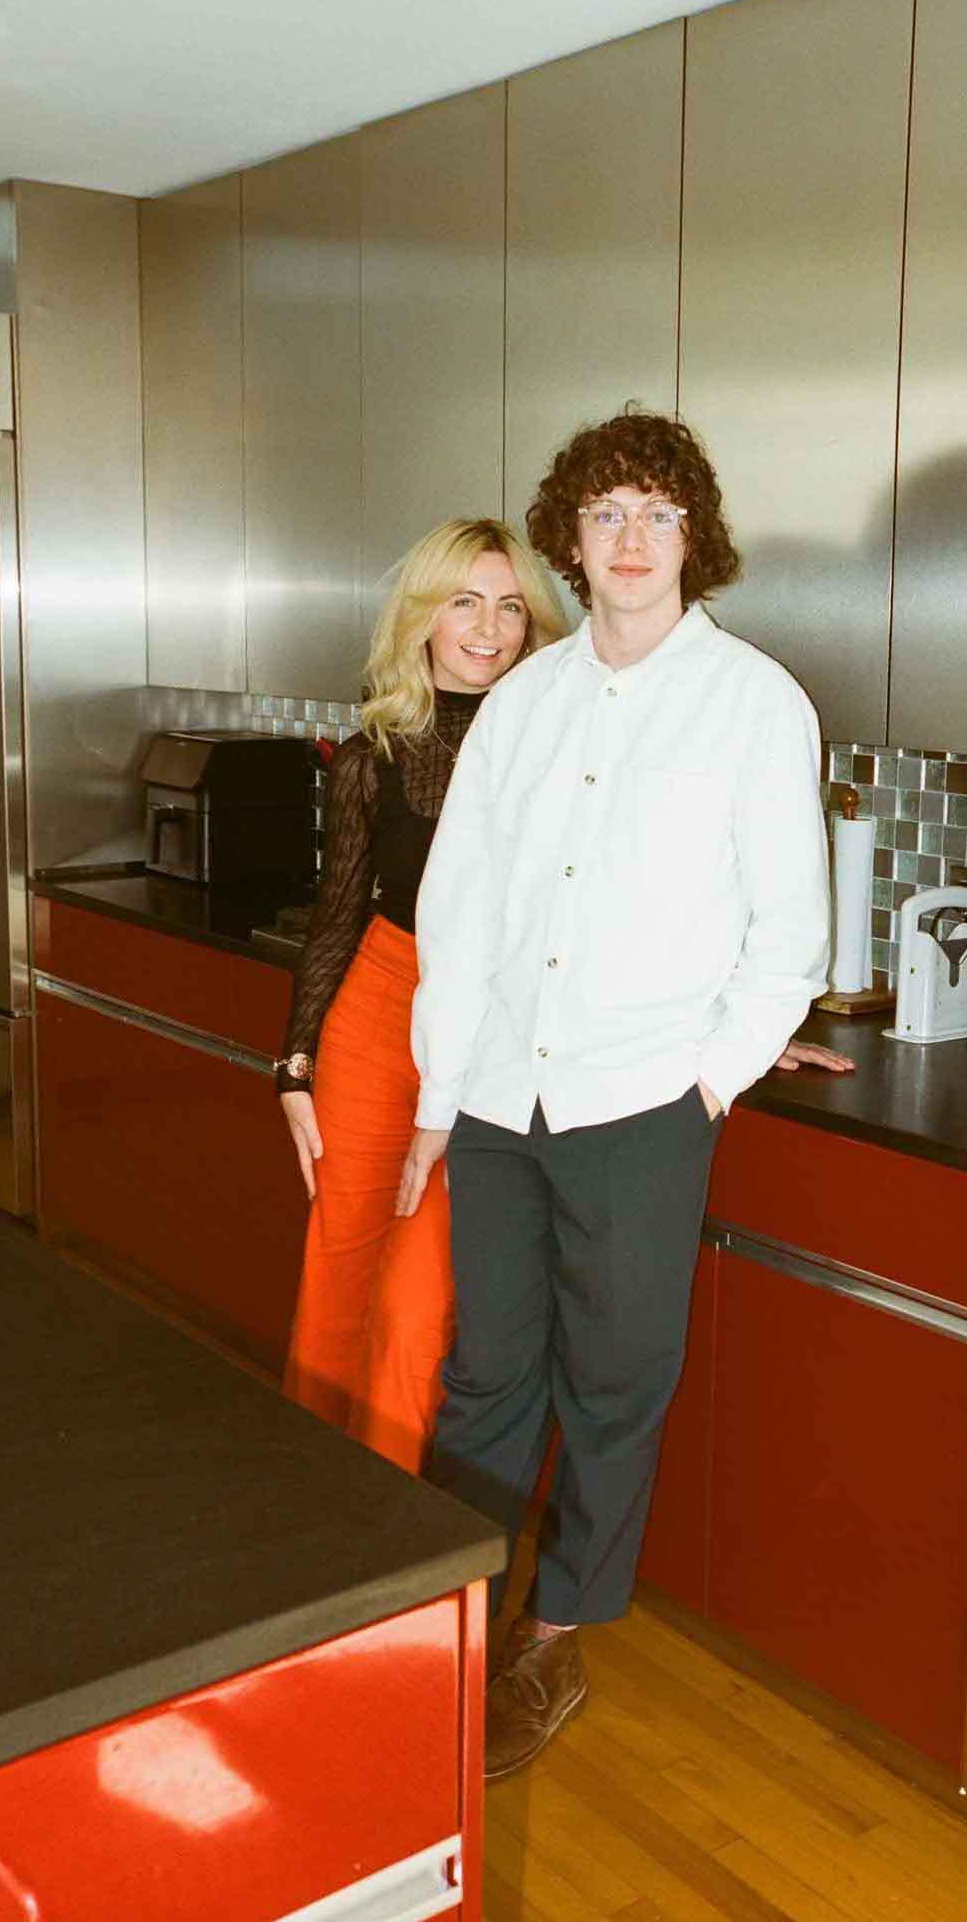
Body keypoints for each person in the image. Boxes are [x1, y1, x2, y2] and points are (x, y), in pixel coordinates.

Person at [401, 408, 837, 1779]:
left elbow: (790, 934)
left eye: (658, 512)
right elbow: (460, 911)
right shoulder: (523, 704)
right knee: (483, 1376)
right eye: (606, 514)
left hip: (643, 1101)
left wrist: (705, 1082)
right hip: (499, 1096)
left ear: (693, 536)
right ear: (570, 541)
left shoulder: (754, 703)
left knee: (613, 1383)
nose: (632, 538)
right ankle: (442, 1633)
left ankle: (550, 1635)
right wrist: (437, 1094)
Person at [276, 519, 569, 1473]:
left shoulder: (560, 741)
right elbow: (338, 912)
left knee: (418, 1300)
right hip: (379, 1005)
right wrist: (294, 1064)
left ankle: (392, 1522)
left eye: (511, 607)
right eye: (464, 602)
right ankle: (314, 1494)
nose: (488, 628)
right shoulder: (375, 752)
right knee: (339, 1263)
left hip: (491, 1028)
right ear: (423, 617)